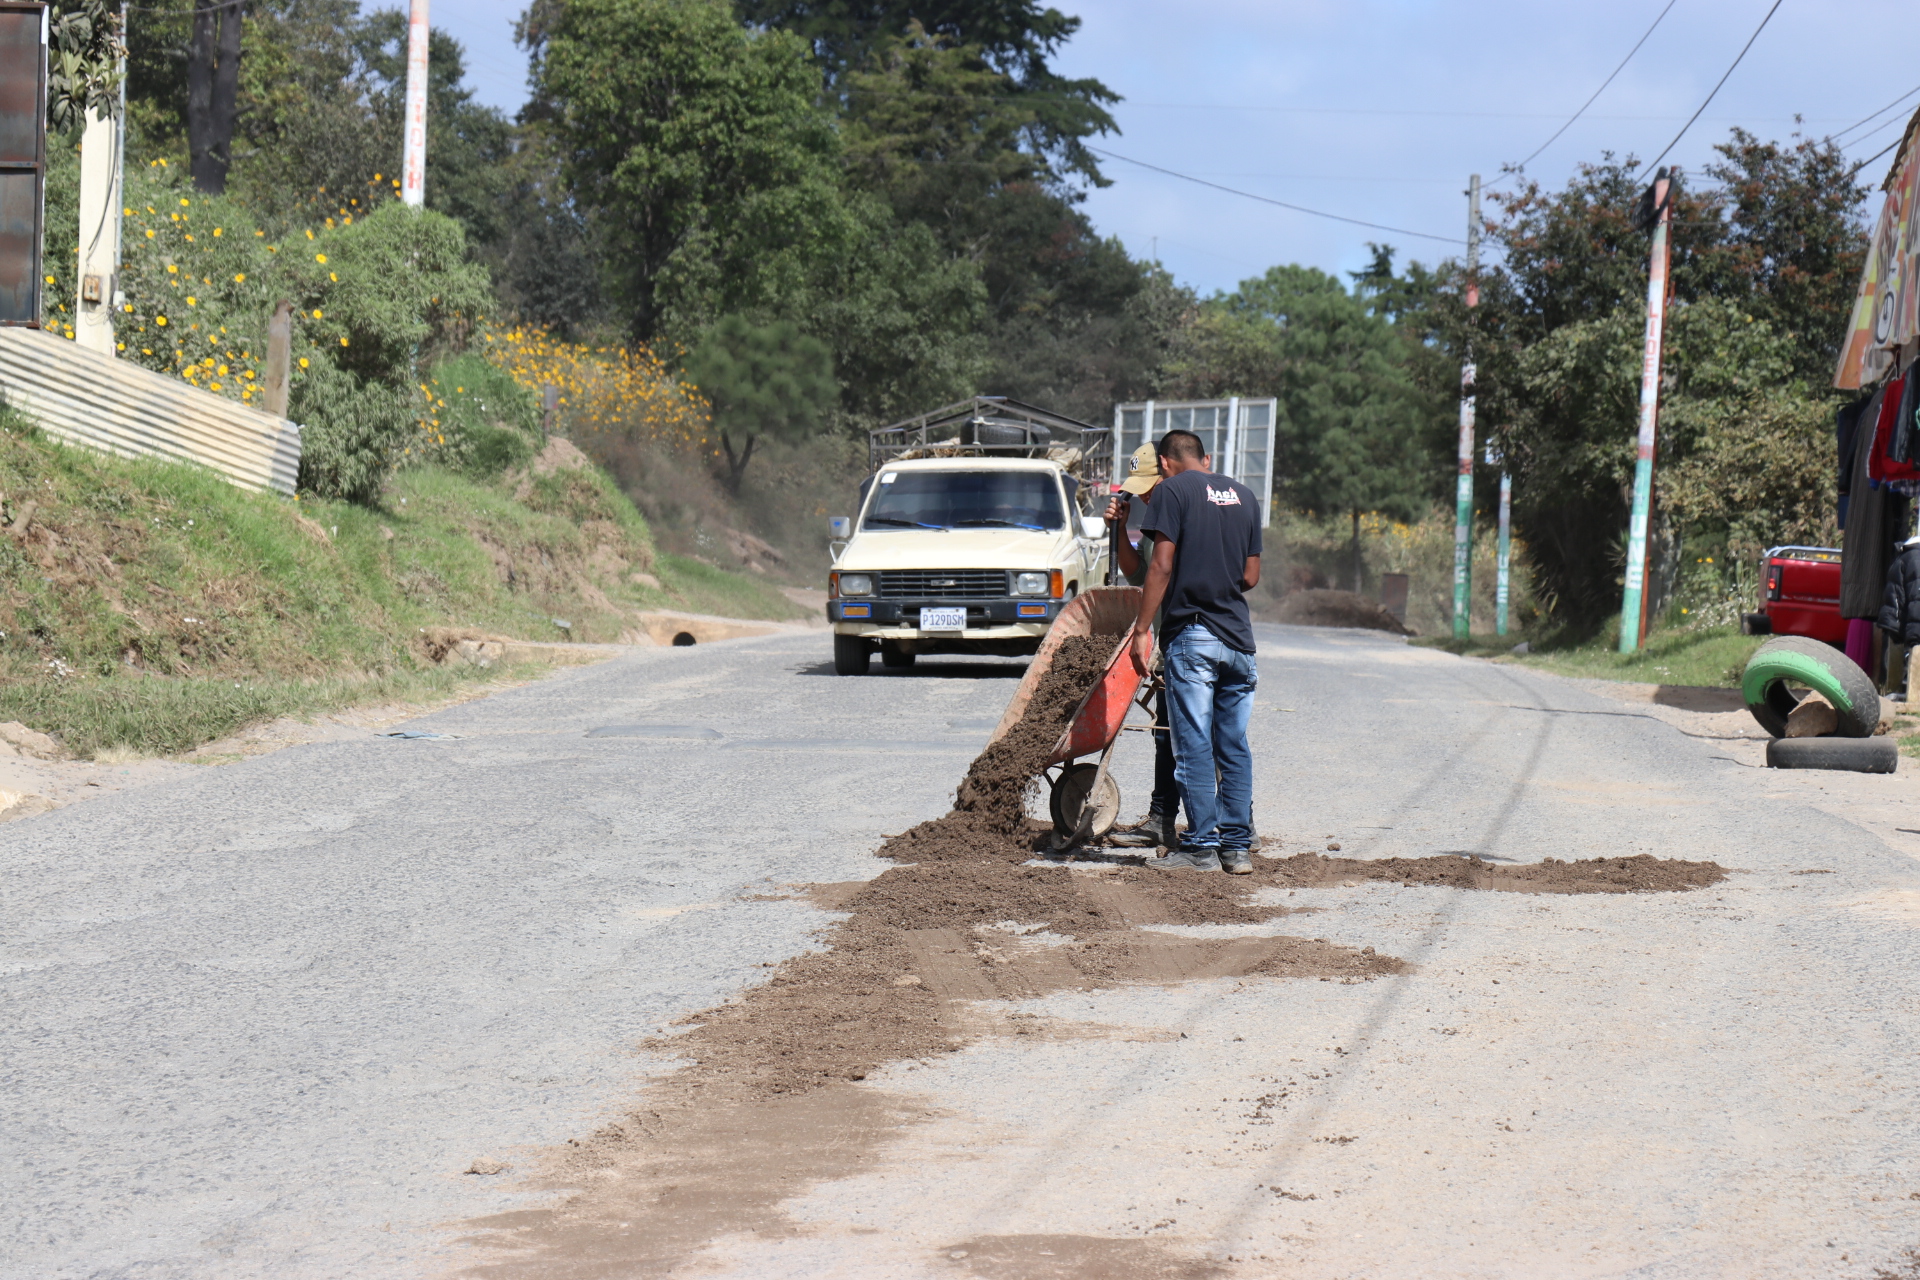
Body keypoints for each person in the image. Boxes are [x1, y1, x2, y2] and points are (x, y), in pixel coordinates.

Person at [1129, 429, 1261, 874]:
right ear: (1204, 457)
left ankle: (1202, 849)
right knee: (1234, 746)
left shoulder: (1172, 492)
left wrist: (1142, 630)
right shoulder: (1245, 496)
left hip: (1194, 637)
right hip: (1239, 642)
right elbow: (1251, 576)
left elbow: (1160, 565)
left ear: (1165, 462)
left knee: (1193, 745)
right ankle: (1236, 849)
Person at [1103, 442, 1179, 848]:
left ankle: (1237, 825)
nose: (1146, 493)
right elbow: (1138, 574)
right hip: (1168, 645)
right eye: (1141, 487)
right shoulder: (1155, 514)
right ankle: (1162, 820)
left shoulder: (1183, 512)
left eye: (1151, 484)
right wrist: (1119, 529)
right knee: (1166, 735)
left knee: (1209, 734)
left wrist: (1143, 632)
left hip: (1187, 641)